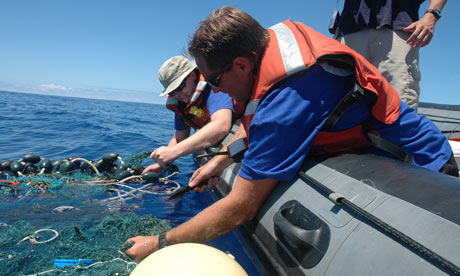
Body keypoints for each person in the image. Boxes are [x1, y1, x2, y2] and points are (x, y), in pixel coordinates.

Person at [126, 6, 457, 262]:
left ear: (241, 65)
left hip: (424, 170)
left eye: (212, 80)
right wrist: (223, 159)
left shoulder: (287, 100)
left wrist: (158, 244)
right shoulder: (266, 48)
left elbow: (241, 206)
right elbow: (258, 128)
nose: (214, 89)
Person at [333, 0, 448, 110]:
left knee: (397, 106)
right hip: (349, 30)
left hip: (398, 28)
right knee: (338, 105)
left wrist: (432, 15)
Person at [143, 56, 235, 174]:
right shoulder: (181, 104)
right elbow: (179, 138)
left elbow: (221, 125)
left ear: (192, 76)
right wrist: (161, 164)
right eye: (172, 92)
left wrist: (174, 152)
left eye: (179, 87)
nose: (177, 94)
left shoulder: (213, 87)